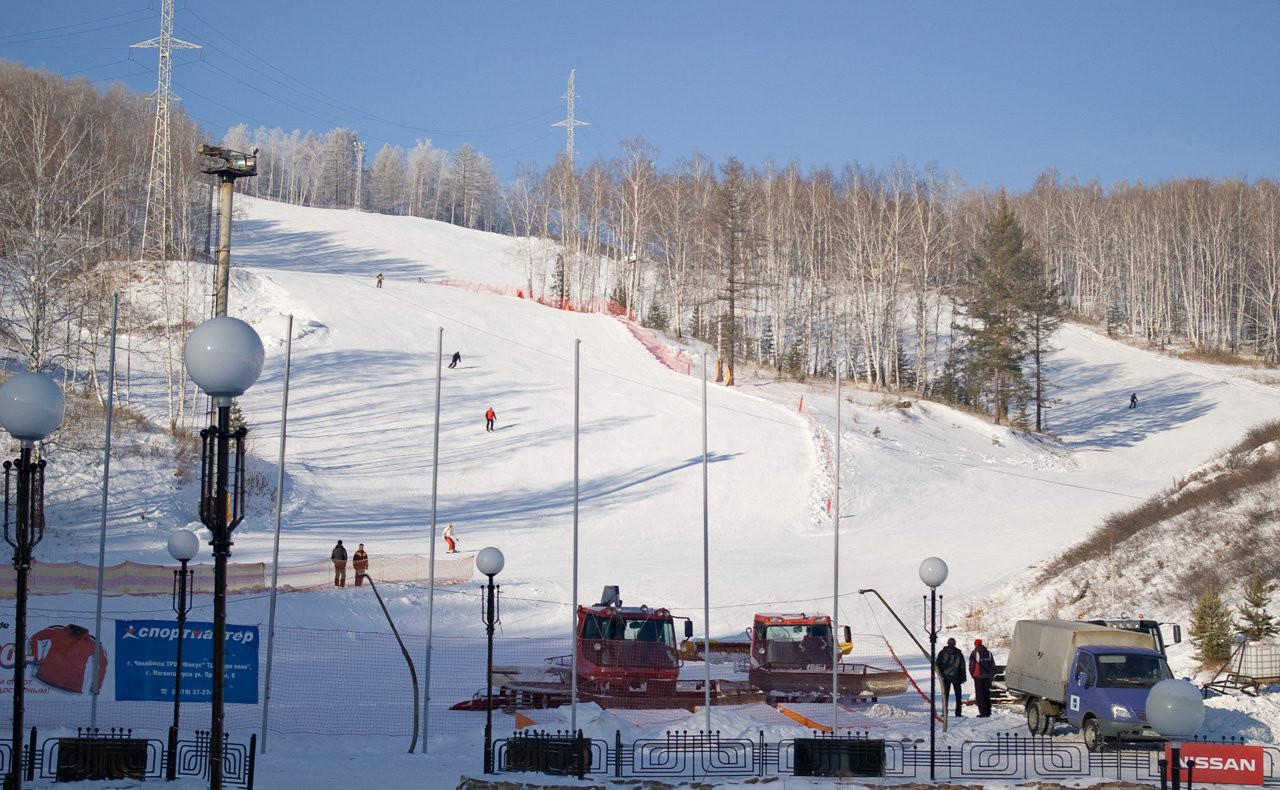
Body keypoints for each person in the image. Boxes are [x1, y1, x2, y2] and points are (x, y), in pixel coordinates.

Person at [935, 637, 967, 717]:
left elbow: (937, 664)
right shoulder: (959, 653)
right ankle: (958, 713)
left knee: (945, 695)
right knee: (958, 695)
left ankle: (945, 712)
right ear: (954, 644)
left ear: (948, 643)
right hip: (957, 676)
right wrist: (963, 677)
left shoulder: (942, 653)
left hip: (945, 677)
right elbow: (962, 666)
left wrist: (940, 674)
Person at [969, 638, 996, 717]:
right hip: (987, 676)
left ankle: (983, 713)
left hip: (978, 676)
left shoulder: (974, 653)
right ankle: (988, 711)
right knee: (987, 694)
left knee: (980, 695)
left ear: (975, 644)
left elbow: (972, 665)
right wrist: (991, 675)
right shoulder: (989, 653)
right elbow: (993, 665)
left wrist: (972, 674)